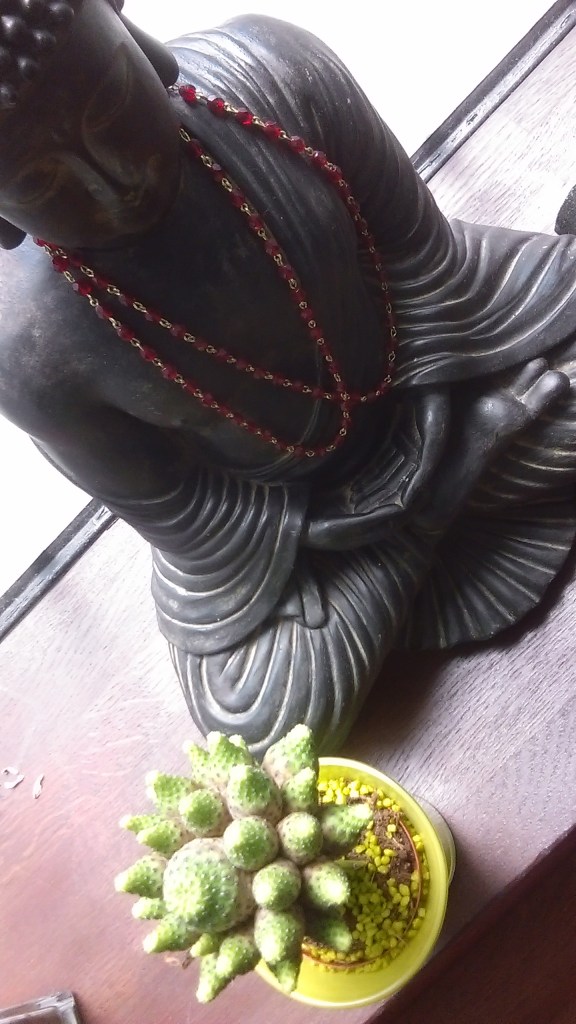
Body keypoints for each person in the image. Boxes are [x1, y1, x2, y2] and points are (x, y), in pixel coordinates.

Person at [0, 0, 575, 753]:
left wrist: (434, 408)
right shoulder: (26, 349)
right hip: (310, 521)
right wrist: (350, 519)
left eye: (111, 106)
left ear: (131, 32)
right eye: (43, 181)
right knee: (251, 719)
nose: (116, 179)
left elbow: (427, 263)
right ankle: (443, 504)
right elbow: (190, 522)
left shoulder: (270, 69)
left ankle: (441, 503)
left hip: (436, 363)